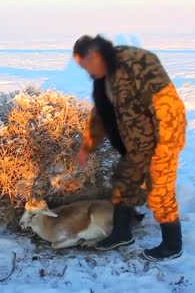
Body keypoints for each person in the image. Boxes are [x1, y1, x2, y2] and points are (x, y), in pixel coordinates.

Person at [73, 35, 187, 261]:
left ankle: (173, 245)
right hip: (134, 144)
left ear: (94, 56)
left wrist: (165, 149)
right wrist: (87, 145)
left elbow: (168, 107)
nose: (85, 71)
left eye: (84, 65)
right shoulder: (103, 74)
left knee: (160, 193)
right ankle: (121, 233)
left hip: (161, 140)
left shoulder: (138, 63)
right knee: (124, 185)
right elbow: (101, 111)